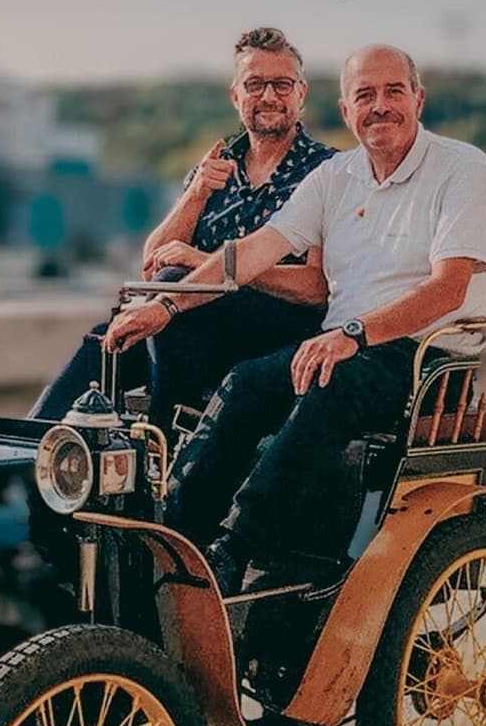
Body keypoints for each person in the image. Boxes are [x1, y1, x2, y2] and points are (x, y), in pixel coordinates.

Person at [104, 44, 486, 595]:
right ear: (345, 111)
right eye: (365, 95)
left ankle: (234, 547)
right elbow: (251, 252)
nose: (379, 106)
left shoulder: (460, 166)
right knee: (246, 381)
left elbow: (449, 286)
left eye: (393, 92)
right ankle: (174, 537)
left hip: (426, 357)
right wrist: (165, 306)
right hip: (345, 346)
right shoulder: (336, 177)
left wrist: (355, 334)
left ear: (418, 99)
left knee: (327, 376)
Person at [29, 27, 335, 437]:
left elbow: (317, 287)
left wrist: (205, 266)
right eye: (255, 84)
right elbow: (154, 259)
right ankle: (31, 450)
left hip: (276, 329)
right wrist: (196, 192)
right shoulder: (217, 164)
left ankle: (161, 441)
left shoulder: (328, 172)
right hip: (184, 326)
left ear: (301, 93)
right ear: (235, 96)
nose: (268, 96)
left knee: (171, 292)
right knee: (111, 338)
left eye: (281, 85)